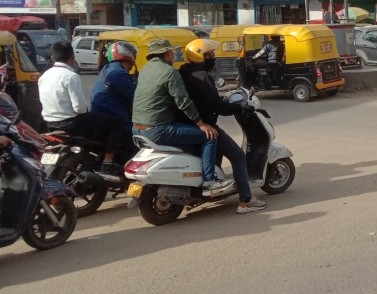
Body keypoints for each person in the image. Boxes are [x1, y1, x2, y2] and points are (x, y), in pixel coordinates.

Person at [132, 39, 232, 195]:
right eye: (172, 53)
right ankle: (209, 182)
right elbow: (183, 102)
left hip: (137, 129)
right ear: (167, 53)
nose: (174, 56)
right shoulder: (169, 72)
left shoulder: (145, 69)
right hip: (158, 129)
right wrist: (201, 124)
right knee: (209, 136)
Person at [180, 39, 267, 213]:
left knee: (217, 152)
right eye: (209, 55)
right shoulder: (202, 76)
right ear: (199, 56)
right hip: (205, 125)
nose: (213, 57)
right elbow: (216, 106)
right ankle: (246, 200)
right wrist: (237, 106)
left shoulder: (184, 73)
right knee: (238, 157)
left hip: (188, 123)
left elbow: (205, 100)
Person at [39, 42, 131, 174]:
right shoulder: (70, 76)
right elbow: (80, 108)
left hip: (49, 123)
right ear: (72, 58)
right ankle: (107, 162)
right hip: (71, 123)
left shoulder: (44, 76)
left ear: (53, 58)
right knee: (116, 123)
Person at [90, 41, 139, 160]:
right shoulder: (118, 73)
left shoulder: (107, 68)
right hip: (112, 115)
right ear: (128, 54)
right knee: (138, 145)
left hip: (102, 113)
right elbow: (136, 97)